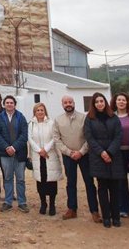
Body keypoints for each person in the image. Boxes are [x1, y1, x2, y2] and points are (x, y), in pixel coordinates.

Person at [53, 95, 101, 223]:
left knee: (89, 183)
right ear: (62, 104)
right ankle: (72, 209)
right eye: (65, 102)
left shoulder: (84, 118)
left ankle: (94, 211)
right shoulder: (58, 120)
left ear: (74, 103)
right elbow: (57, 139)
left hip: (84, 155)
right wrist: (69, 152)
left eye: (70, 102)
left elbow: (89, 137)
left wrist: (81, 152)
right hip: (68, 156)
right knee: (71, 183)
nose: (68, 104)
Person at [84, 92, 124, 228]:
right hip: (98, 157)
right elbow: (89, 138)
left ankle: (116, 217)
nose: (99, 103)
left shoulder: (114, 117)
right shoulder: (89, 119)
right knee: (102, 188)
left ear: (105, 102)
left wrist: (110, 152)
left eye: (102, 101)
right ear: (93, 104)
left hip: (114, 156)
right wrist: (102, 152)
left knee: (115, 188)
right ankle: (106, 217)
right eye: (97, 102)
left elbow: (119, 136)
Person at [0, 95, 29, 213]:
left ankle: (22, 202)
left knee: (20, 179)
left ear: (15, 104)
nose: (9, 104)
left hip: (20, 153)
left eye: (11, 103)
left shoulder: (21, 117)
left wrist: (14, 147)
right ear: (4, 104)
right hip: (5, 153)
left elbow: (24, 135)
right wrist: (6, 147)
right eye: (7, 102)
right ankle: (8, 202)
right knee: (7, 178)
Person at [28, 102, 62, 216]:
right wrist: (39, 150)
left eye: (42, 110)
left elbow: (54, 138)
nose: (40, 112)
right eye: (38, 110)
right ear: (35, 112)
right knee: (41, 181)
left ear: (45, 111)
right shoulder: (31, 124)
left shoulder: (51, 123)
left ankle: (52, 204)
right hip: (38, 156)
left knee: (51, 181)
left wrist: (45, 149)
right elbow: (30, 139)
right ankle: (43, 203)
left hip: (49, 155)